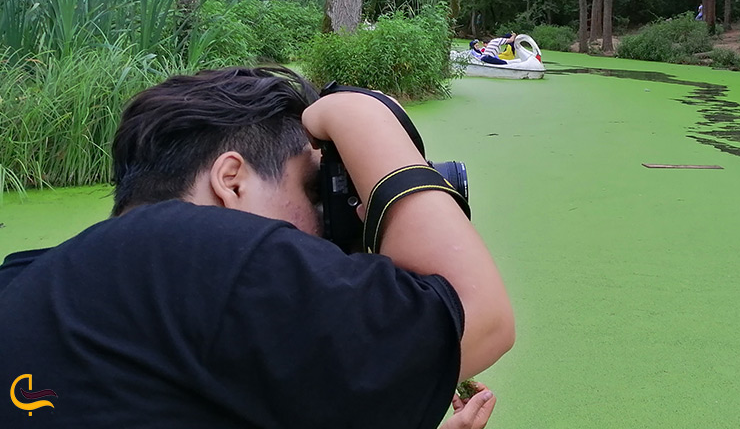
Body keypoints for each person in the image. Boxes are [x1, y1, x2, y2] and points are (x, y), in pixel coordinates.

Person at [0, 67, 514, 428]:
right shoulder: (194, 252)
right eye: (315, 193)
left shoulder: (33, 281)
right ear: (232, 180)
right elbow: (480, 318)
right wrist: (363, 118)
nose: (326, 227)